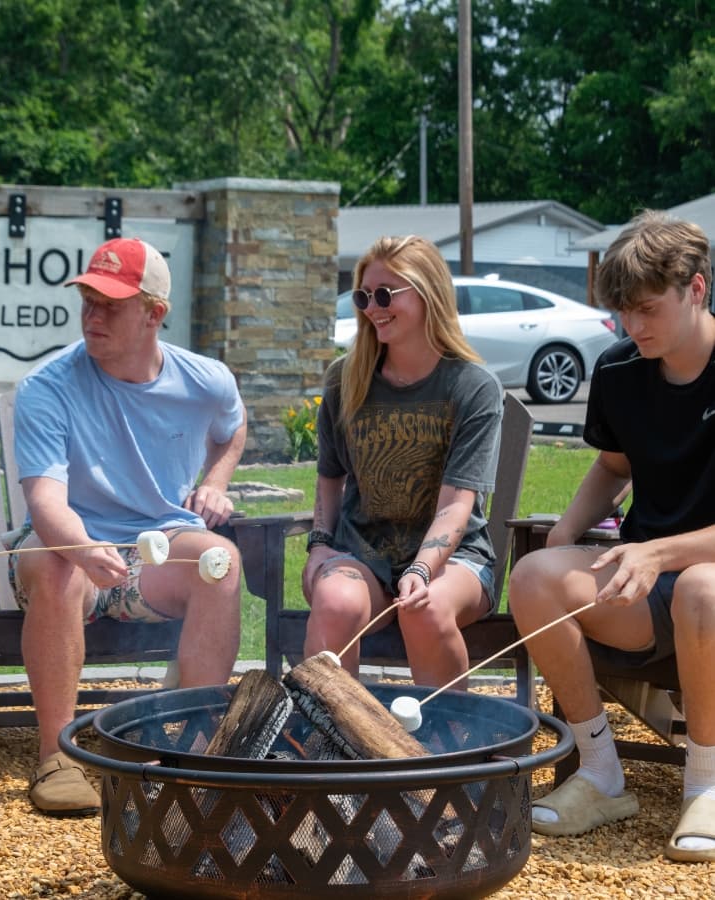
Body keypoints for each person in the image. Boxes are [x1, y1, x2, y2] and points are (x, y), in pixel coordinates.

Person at [12, 237, 246, 816]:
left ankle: (192, 750)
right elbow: (46, 503)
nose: (92, 316)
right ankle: (57, 756)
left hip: (159, 548)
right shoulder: (47, 387)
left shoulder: (206, 380)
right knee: (57, 560)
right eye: (87, 300)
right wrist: (86, 548)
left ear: (153, 313)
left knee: (220, 563)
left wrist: (216, 480)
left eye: (109, 304)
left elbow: (232, 427)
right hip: (68, 544)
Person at [507, 210, 715, 862]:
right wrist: (564, 537)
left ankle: (705, 786)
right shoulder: (622, 370)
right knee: (534, 579)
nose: (633, 327)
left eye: (648, 309)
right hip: (646, 590)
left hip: (703, 590)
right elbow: (613, 465)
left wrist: (661, 552)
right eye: (623, 312)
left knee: (703, 590)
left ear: (697, 289)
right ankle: (601, 774)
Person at [302, 235, 502, 687]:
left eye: (386, 294)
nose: (372, 307)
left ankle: (449, 749)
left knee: (424, 608)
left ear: (429, 292)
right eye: (364, 296)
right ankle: (331, 748)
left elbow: (456, 505)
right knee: (335, 602)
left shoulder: (471, 387)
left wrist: (419, 569)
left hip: (457, 559)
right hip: (364, 553)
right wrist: (319, 545)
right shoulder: (345, 380)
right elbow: (330, 476)